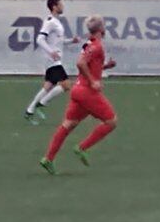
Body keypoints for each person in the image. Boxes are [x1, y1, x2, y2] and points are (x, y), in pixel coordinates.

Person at [41, 16, 118, 172]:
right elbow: (80, 63)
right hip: (87, 92)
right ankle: (82, 147)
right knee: (111, 121)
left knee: (67, 125)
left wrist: (106, 67)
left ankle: (48, 159)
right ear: (101, 30)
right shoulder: (97, 47)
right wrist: (93, 81)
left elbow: (90, 65)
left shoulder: (90, 44)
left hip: (77, 91)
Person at [25, 0, 73, 122]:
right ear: (54, 7)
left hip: (54, 60)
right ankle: (42, 103)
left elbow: (58, 41)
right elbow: (40, 39)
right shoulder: (50, 22)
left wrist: (71, 41)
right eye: (60, 4)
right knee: (66, 85)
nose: (62, 6)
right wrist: (51, 52)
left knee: (48, 86)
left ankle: (29, 111)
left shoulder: (57, 22)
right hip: (52, 60)